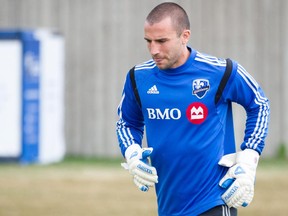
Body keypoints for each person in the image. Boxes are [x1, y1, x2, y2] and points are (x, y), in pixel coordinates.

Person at [116, 2, 270, 216]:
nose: (154, 50)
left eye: (162, 41)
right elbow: (127, 123)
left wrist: (249, 156)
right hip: (169, 206)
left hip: (214, 201)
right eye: (148, 41)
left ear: (184, 36)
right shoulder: (138, 77)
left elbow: (259, 103)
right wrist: (131, 153)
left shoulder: (220, 71)